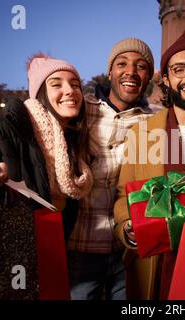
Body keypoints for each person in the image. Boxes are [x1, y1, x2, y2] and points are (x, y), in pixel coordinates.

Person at [113, 26, 185, 300]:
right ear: (165, 79)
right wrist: (127, 228)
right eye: (179, 70)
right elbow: (123, 195)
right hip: (156, 263)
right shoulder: (140, 134)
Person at [0, 53, 93, 236]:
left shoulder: (74, 144)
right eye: (56, 84)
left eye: (75, 84)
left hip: (53, 251)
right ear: (40, 94)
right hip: (4, 255)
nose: (70, 90)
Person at [67, 38, 156, 300]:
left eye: (141, 66)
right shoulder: (83, 110)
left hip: (128, 252)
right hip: (80, 248)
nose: (130, 72)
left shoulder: (155, 122)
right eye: (122, 64)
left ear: (148, 76)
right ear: (110, 72)